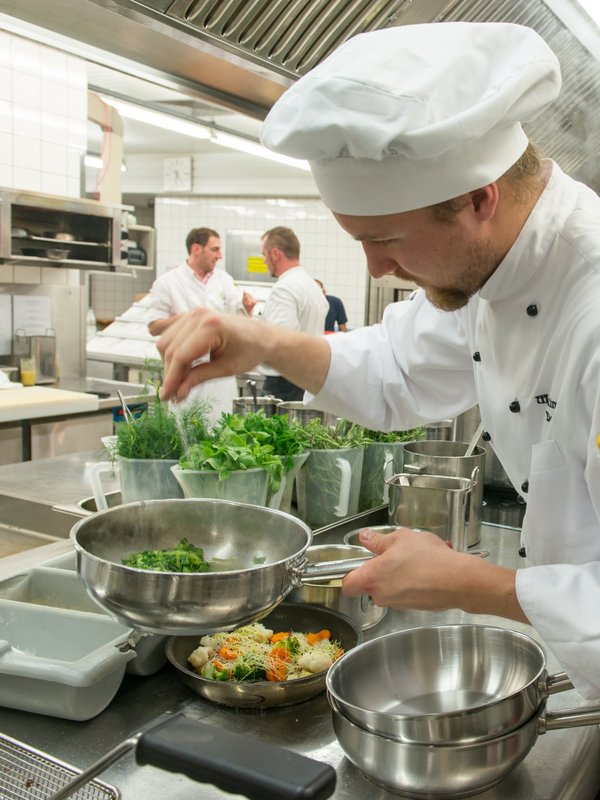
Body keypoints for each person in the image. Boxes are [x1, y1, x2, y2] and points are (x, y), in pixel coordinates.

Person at [156, 22, 600, 699]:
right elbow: (396, 366)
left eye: (387, 239)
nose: (378, 269)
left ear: (479, 198)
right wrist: (262, 341)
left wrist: (472, 583)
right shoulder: (494, 268)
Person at [146, 226, 255, 422]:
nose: (220, 255)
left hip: (220, 375)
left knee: (225, 435)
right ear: (196, 249)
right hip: (186, 374)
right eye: (214, 249)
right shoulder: (168, 282)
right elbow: (154, 326)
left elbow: (239, 320)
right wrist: (190, 318)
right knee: (187, 436)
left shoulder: (224, 280)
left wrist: (248, 310)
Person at [258, 227, 328, 401]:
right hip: (306, 378)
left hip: (283, 383)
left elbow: (283, 342)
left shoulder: (284, 288)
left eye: (264, 255)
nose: (264, 261)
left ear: (275, 254)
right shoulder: (311, 285)